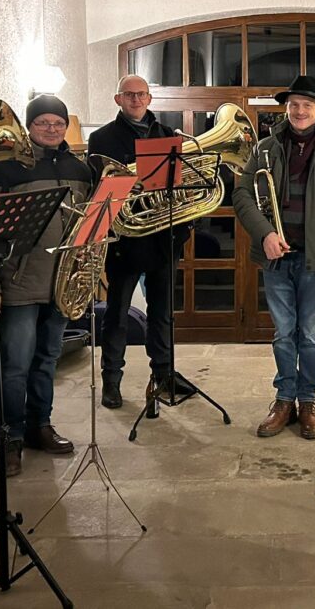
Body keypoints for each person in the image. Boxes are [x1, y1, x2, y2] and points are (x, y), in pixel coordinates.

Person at [232, 76, 315, 439]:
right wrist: (265, 234)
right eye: (293, 105)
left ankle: (308, 399)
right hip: (277, 256)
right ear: (285, 109)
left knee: (311, 333)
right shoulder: (266, 147)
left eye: (307, 104)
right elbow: (242, 195)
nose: (300, 111)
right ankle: (284, 398)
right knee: (284, 333)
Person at [0, 94, 92, 476]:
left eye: (58, 123)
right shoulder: (4, 169)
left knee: (46, 362)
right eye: (43, 123)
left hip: (61, 285)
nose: (51, 129)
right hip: (17, 284)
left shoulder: (80, 170)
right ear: (29, 126)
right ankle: (10, 438)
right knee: (15, 367)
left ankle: (41, 426)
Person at [87, 74, 193, 411]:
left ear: (149, 99)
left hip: (161, 237)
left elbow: (179, 186)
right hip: (125, 239)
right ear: (118, 99)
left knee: (162, 313)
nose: (136, 100)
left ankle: (163, 373)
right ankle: (111, 380)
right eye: (129, 94)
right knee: (116, 313)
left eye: (141, 94)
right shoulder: (101, 138)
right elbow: (98, 189)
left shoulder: (168, 136)